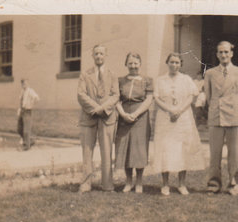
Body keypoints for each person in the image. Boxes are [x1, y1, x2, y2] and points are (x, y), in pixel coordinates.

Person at [153, 52, 205, 196]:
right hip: (165, 118)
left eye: (177, 63)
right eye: (171, 62)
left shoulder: (186, 79)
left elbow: (191, 96)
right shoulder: (160, 80)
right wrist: (170, 110)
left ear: (180, 64)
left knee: (183, 149)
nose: (174, 65)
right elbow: (156, 98)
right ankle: (165, 185)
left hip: (183, 118)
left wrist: (179, 110)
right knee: (165, 149)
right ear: (167, 63)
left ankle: (182, 184)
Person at [204, 41, 238, 196]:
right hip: (216, 115)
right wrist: (216, 107)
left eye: (226, 52)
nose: (223, 55)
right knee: (215, 152)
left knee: (234, 153)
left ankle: (234, 183)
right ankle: (214, 183)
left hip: (234, 116)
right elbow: (209, 97)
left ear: (232, 53)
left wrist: (235, 108)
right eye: (220, 52)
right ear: (217, 55)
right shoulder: (210, 73)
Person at [77, 44, 119, 193]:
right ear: (92, 56)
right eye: (96, 54)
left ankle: (107, 184)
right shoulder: (85, 74)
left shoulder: (112, 74)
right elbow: (81, 94)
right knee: (87, 151)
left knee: (107, 151)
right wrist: (95, 108)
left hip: (107, 118)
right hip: (89, 117)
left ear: (105, 55)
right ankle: (86, 183)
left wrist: (102, 108)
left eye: (101, 53)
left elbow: (115, 95)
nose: (99, 56)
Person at [115, 53, 154, 194]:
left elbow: (149, 99)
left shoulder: (147, 80)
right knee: (126, 148)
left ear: (140, 64)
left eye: (135, 63)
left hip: (141, 117)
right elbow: (116, 99)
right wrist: (123, 114)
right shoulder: (120, 81)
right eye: (130, 63)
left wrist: (136, 114)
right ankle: (128, 181)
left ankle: (139, 182)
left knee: (139, 149)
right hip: (124, 116)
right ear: (126, 64)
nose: (133, 66)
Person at [17, 78, 40, 151]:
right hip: (22, 110)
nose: (24, 85)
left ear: (28, 84)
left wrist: (31, 104)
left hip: (27, 111)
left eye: (25, 83)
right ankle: (30, 141)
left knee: (26, 130)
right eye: (23, 83)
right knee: (19, 129)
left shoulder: (30, 91)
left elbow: (37, 98)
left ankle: (26, 146)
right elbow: (21, 101)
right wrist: (19, 109)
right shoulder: (22, 91)